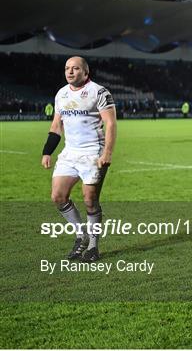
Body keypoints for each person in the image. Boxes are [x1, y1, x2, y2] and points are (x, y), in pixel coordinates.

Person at [41, 56, 116, 262]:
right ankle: (81, 235)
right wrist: (47, 151)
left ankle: (93, 246)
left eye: (75, 68)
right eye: (67, 68)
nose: (70, 72)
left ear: (86, 71)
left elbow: (110, 124)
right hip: (69, 153)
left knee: (90, 200)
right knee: (58, 196)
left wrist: (107, 153)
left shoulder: (99, 92)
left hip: (93, 152)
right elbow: (56, 126)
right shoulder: (61, 94)